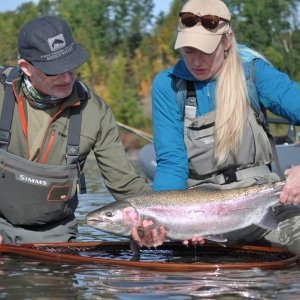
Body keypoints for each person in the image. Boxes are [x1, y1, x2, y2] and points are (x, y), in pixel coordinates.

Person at [132, 0, 300, 254]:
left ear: (227, 41)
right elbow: (171, 163)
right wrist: (158, 221)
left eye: (206, 51)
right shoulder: (167, 86)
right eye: (189, 50)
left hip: (262, 207)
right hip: (199, 218)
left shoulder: (255, 75)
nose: (197, 61)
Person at [0, 16, 151, 244]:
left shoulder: (95, 111)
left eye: (71, 65)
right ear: (26, 67)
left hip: (56, 234)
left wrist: (157, 218)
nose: (67, 77)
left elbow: (126, 186)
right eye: (55, 70)